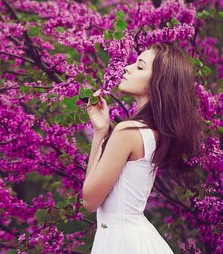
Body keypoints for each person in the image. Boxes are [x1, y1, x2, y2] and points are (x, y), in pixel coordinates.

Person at [82, 42, 202, 253]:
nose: (127, 68)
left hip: (121, 242)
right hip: (139, 238)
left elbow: (90, 200)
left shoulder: (127, 131)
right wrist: (101, 131)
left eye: (139, 66)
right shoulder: (154, 133)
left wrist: (102, 136)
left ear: (158, 82)